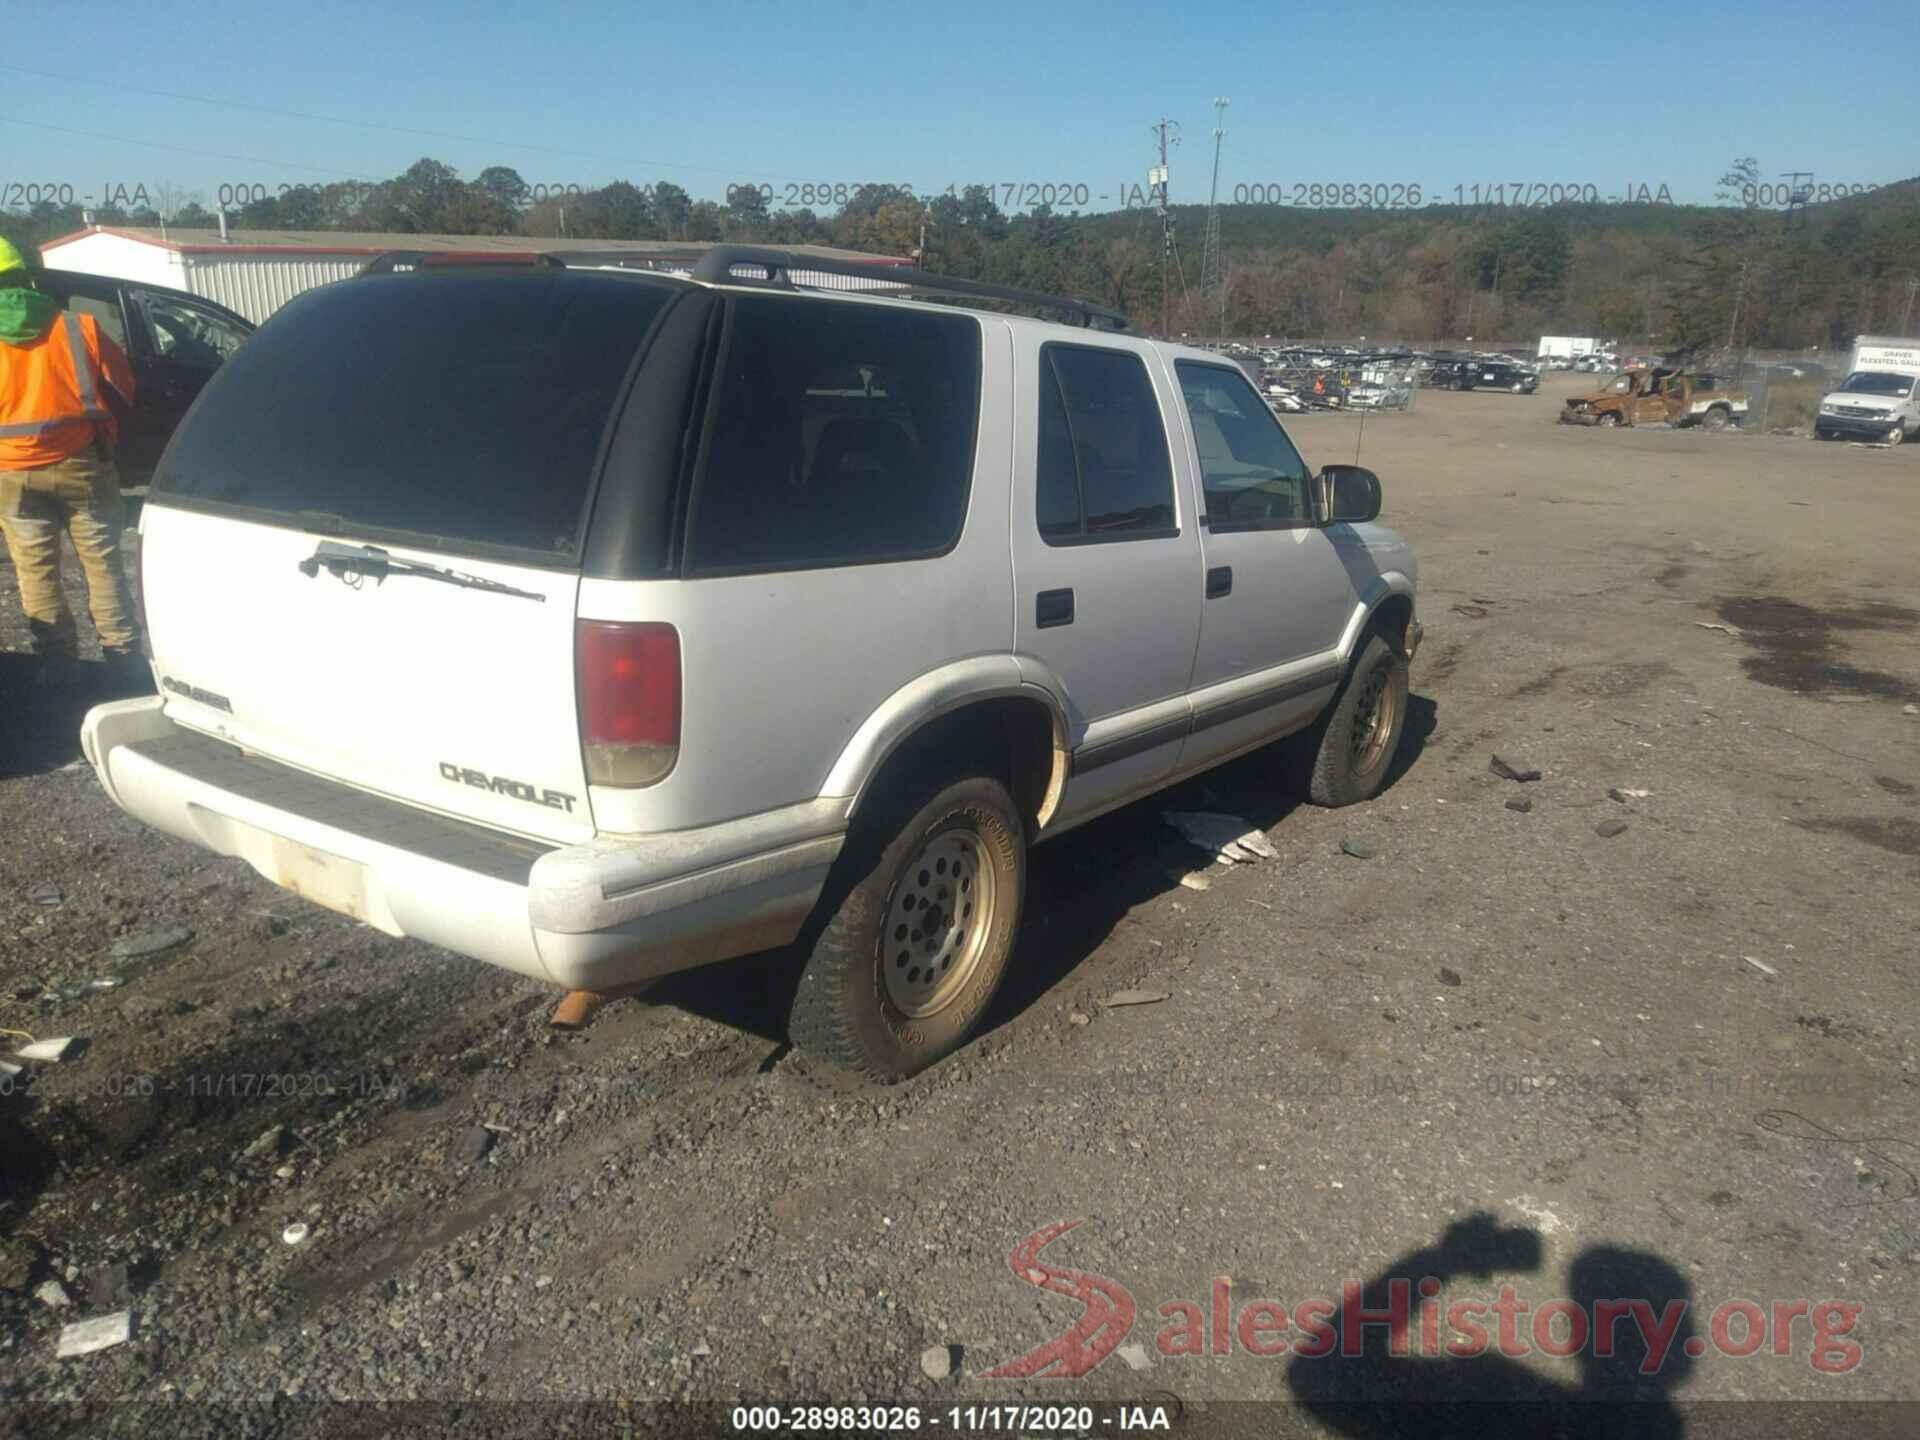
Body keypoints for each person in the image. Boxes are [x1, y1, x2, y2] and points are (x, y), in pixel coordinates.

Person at [0, 236, 142, 675]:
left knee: (36, 572)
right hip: (83, 463)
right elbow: (126, 389)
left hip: (10, 472)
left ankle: (56, 667)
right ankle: (121, 659)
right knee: (102, 565)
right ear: (27, 274)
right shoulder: (79, 326)